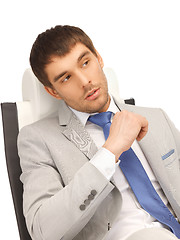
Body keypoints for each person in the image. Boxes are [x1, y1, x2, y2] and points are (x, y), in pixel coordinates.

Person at [18, 25, 180, 240]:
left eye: (86, 63)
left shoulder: (156, 117)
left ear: (99, 58)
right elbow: (42, 231)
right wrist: (110, 151)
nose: (85, 82)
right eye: (66, 78)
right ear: (52, 91)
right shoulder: (37, 139)